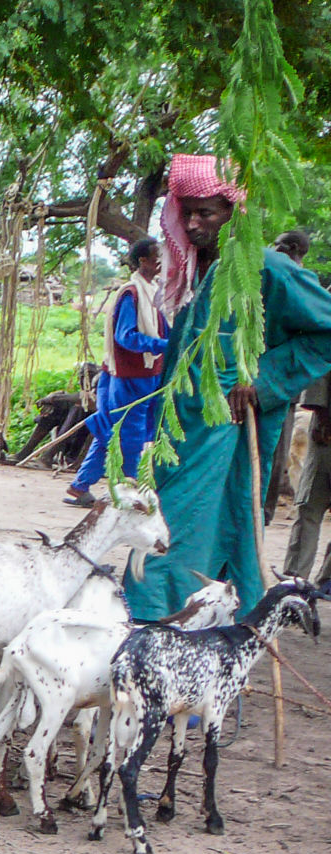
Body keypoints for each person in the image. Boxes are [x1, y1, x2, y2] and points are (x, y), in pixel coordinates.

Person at [123, 155, 331, 621]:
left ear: (233, 212)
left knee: (186, 542)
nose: (194, 224)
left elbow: (325, 330)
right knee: (163, 538)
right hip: (181, 439)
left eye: (207, 213)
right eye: (188, 213)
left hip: (229, 441)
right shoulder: (200, 273)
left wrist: (263, 379)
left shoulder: (268, 269)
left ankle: (165, 638)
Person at [67, 237, 169, 505]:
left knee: (112, 431)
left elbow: (165, 329)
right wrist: (164, 345)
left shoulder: (153, 292)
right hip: (129, 377)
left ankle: (81, 486)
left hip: (140, 375)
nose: (161, 260)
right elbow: (126, 337)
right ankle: (126, 493)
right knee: (129, 434)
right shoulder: (132, 294)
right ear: (142, 261)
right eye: (156, 256)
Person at [283, 377, 331, 581]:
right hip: (326, 433)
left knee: (310, 510)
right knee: (310, 508)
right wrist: (321, 415)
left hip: (326, 431)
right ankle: (298, 579)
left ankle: (300, 579)